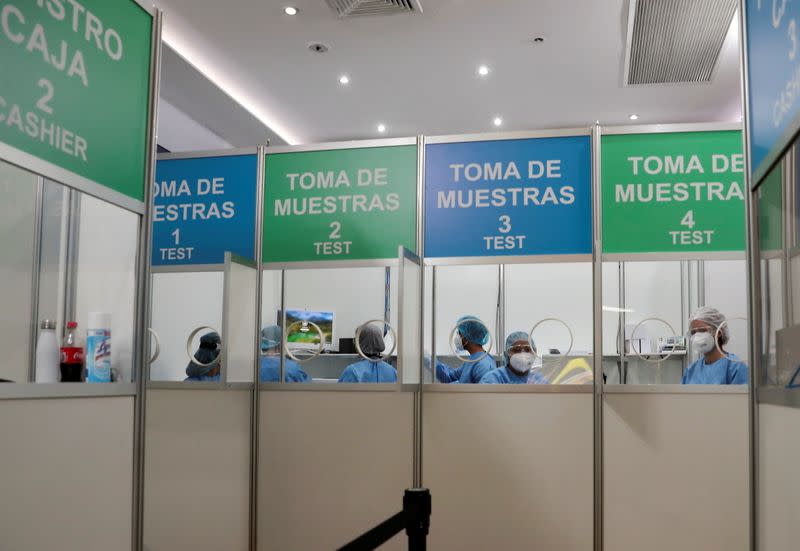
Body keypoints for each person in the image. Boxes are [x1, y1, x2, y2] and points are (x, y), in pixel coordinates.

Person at [682, 307, 748, 385]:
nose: (697, 336)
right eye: (693, 332)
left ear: (719, 332)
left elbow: (740, 396)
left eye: (702, 330)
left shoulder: (736, 368)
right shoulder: (691, 370)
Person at [435, 315, 497, 384]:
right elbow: (450, 377)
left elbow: (484, 393)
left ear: (467, 337)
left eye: (459, 334)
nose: (457, 337)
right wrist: (431, 362)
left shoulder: (483, 365)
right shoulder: (473, 359)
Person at [480, 331, 549, 384]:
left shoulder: (539, 380)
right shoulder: (493, 379)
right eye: (517, 350)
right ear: (506, 354)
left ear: (534, 353)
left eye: (527, 349)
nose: (523, 354)